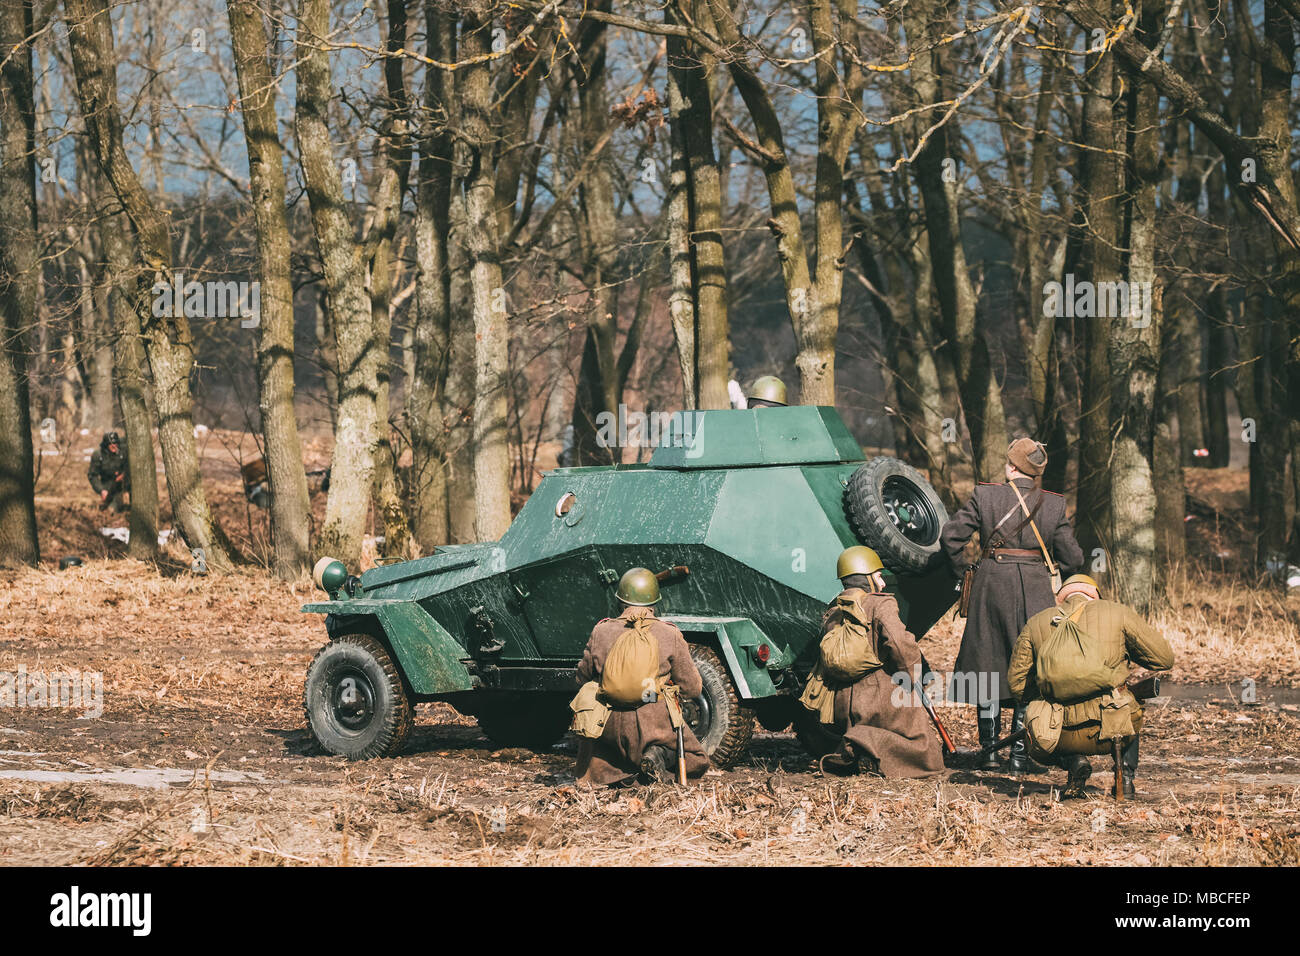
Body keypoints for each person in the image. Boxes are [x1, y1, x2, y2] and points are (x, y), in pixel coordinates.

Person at [939, 438, 1083, 773]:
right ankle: (1019, 756)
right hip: (1036, 590)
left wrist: (965, 574)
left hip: (990, 585)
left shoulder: (985, 495)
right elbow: (1073, 557)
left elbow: (951, 538)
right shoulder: (1053, 504)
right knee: (1030, 668)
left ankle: (989, 753)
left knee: (987, 663)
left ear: (1011, 466)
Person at [1007, 575, 1174, 798]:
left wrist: (1049, 692)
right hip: (1112, 728)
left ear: (1061, 598)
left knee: (1032, 731)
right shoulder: (1117, 612)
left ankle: (1074, 761)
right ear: (1095, 595)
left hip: (1057, 733)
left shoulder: (1037, 622)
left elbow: (1016, 684)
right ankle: (1124, 779)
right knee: (1130, 700)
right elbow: (1164, 659)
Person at [805, 546, 944, 778]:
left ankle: (858, 747)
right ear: (866, 578)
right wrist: (914, 677)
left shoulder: (834, 611)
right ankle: (866, 747)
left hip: (842, 704)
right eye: (878, 577)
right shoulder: (880, 604)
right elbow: (900, 644)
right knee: (924, 745)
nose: (882, 584)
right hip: (878, 700)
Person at [573, 568, 710, 786]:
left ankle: (621, 773)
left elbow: (582, 678)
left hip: (606, 725)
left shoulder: (601, 631)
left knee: (599, 760)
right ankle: (658, 754)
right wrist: (655, 693)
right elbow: (692, 688)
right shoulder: (669, 633)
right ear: (654, 603)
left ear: (621, 601)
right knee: (697, 759)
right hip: (652, 723)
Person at [88, 431, 130, 513]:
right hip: (109, 485)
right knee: (112, 510)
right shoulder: (98, 455)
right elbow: (93, 475)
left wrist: (124, 475)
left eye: (116, 443)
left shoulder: (123, 451)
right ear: (106, 445)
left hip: (126, 482)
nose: (114, 446)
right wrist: (101, 490)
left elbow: (130, 466)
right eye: (111, 444)